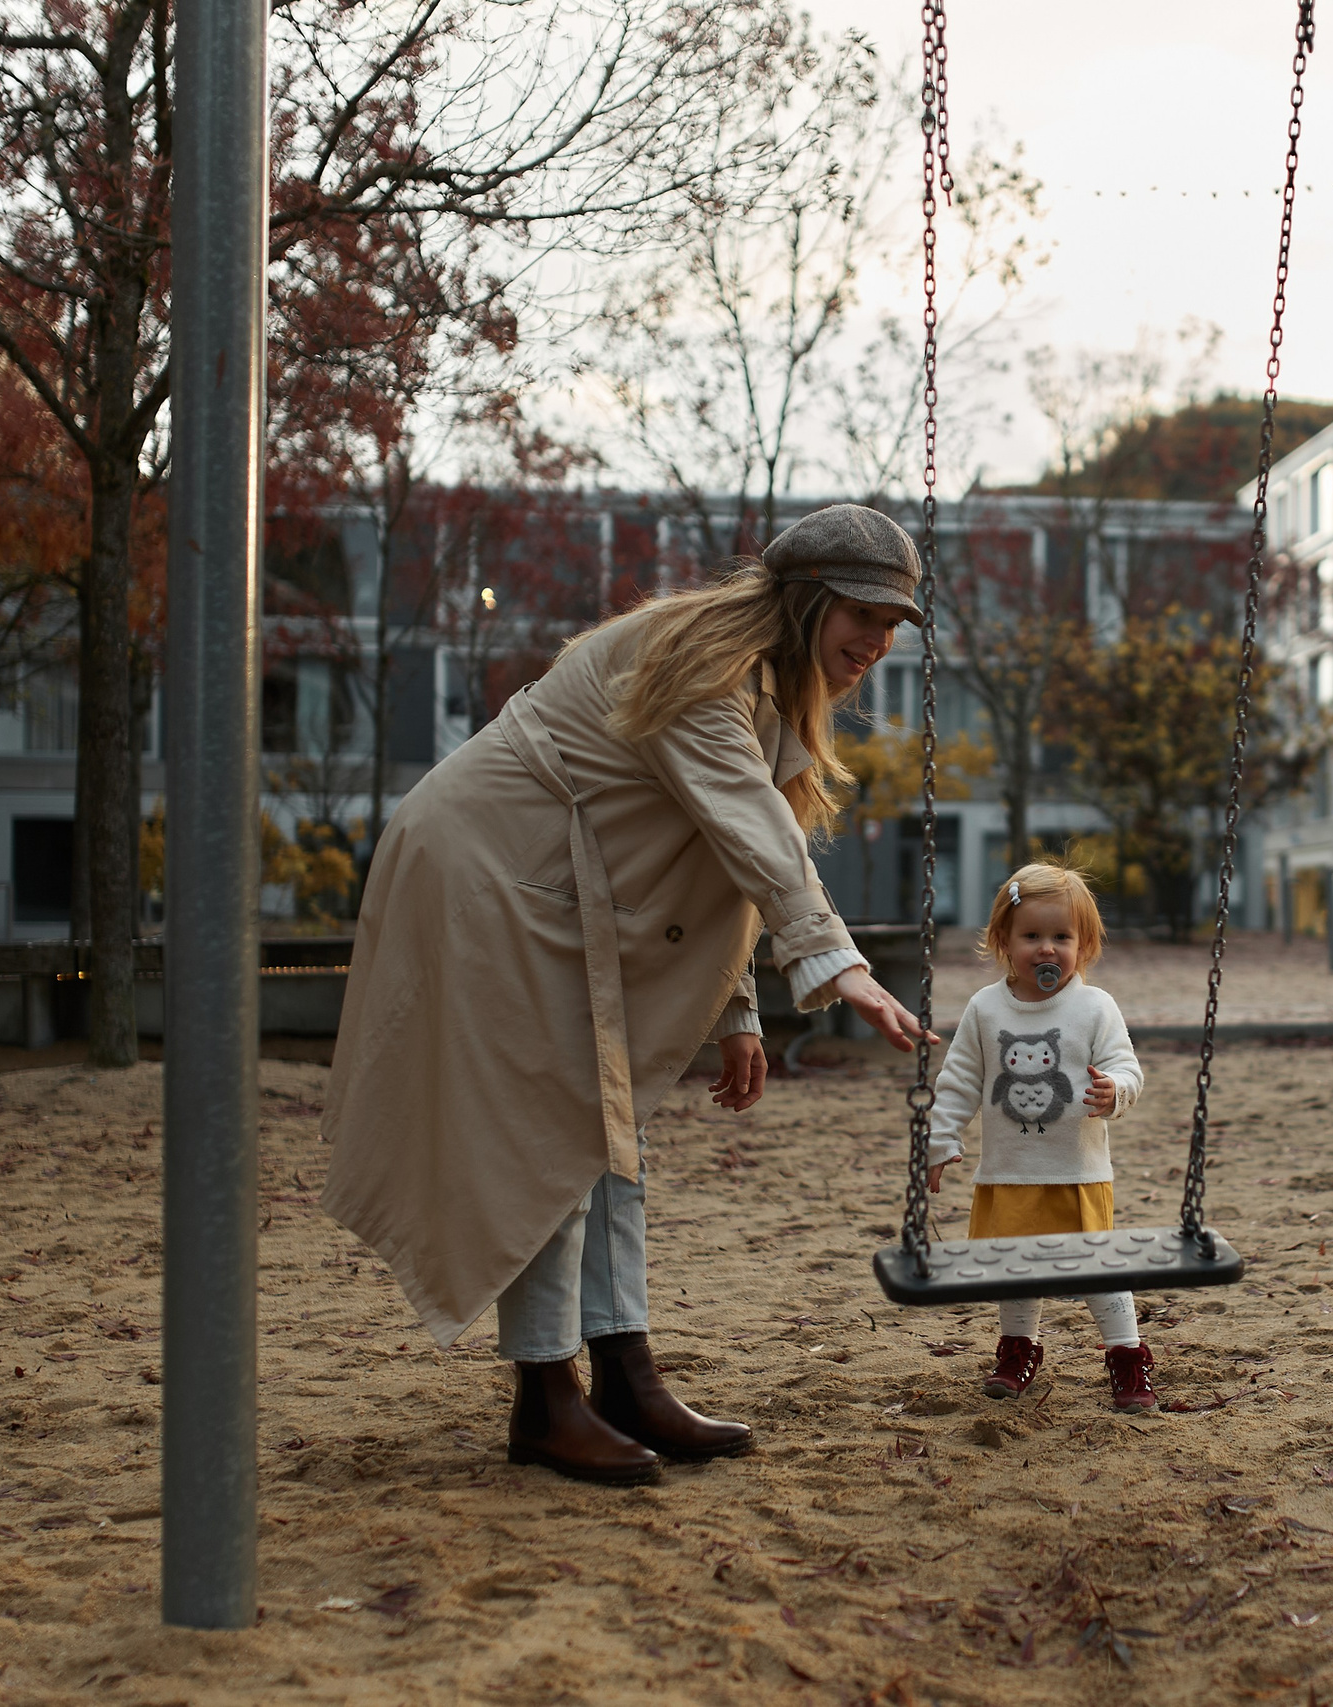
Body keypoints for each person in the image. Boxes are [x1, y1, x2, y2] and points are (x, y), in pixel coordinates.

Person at [322, 504, 936, 1486]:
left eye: (896, 622)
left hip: (557, 886)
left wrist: (737, 1013)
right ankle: (544, 1396)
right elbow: (748, 827)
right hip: (486, 872)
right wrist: (837, 962)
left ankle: (621, 1367)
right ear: (809, 598)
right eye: (864, 612)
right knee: (555, 1123)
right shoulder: (703, 666)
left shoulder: (768, 685)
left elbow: (711, 850)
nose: (879, 640)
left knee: (604, 1125)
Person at [919, 863, 1156, 1412]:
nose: (1046, 949)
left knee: (1097, 1266)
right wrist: (940, 1139)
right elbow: (958, 1081)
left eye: (1061, 937)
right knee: (1014, 1266)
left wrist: (1114, 1091)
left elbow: (1128, 1068)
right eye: (1031, 936)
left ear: (1084, 944)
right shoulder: (986, 1008)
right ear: (1003, 940)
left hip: (1077, 1171)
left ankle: (1126, 1354)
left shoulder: (1095, 1007)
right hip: (1009, 1171)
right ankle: (1020, 1349)